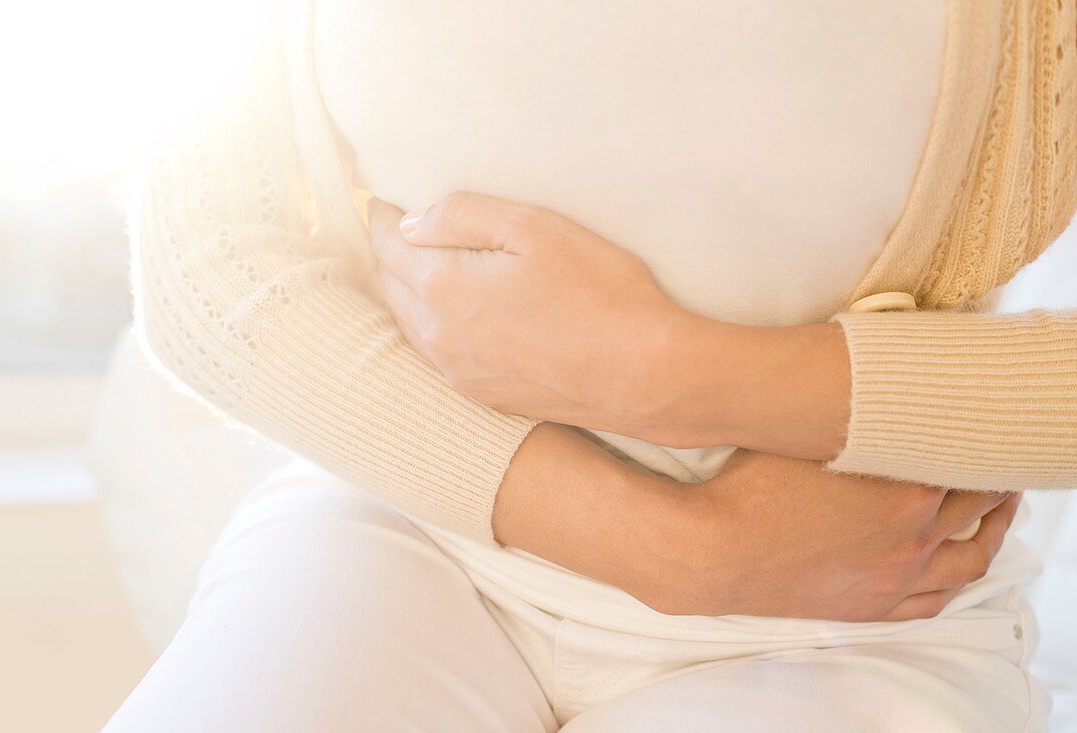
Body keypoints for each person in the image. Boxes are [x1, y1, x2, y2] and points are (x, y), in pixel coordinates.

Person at [107, 0, 1077, 730]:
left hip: (849, 592)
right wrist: (681, 550)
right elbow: (208, 255)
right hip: (413, 527)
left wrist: (665, 372)